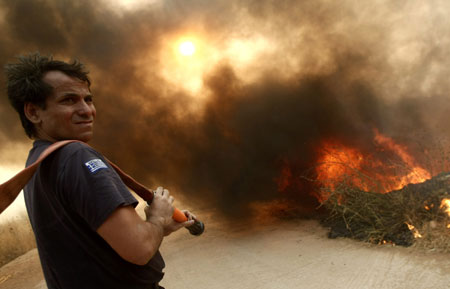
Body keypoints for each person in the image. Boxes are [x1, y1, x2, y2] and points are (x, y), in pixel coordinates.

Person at [4, 52, 196, 289]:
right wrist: (157, 217)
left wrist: (159, 227)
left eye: (88, 99)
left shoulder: (39, 162)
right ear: (33, 112)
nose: (87, 110)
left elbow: (93, 242)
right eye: (69, 100)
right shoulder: (76, 157)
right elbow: (139, 248)